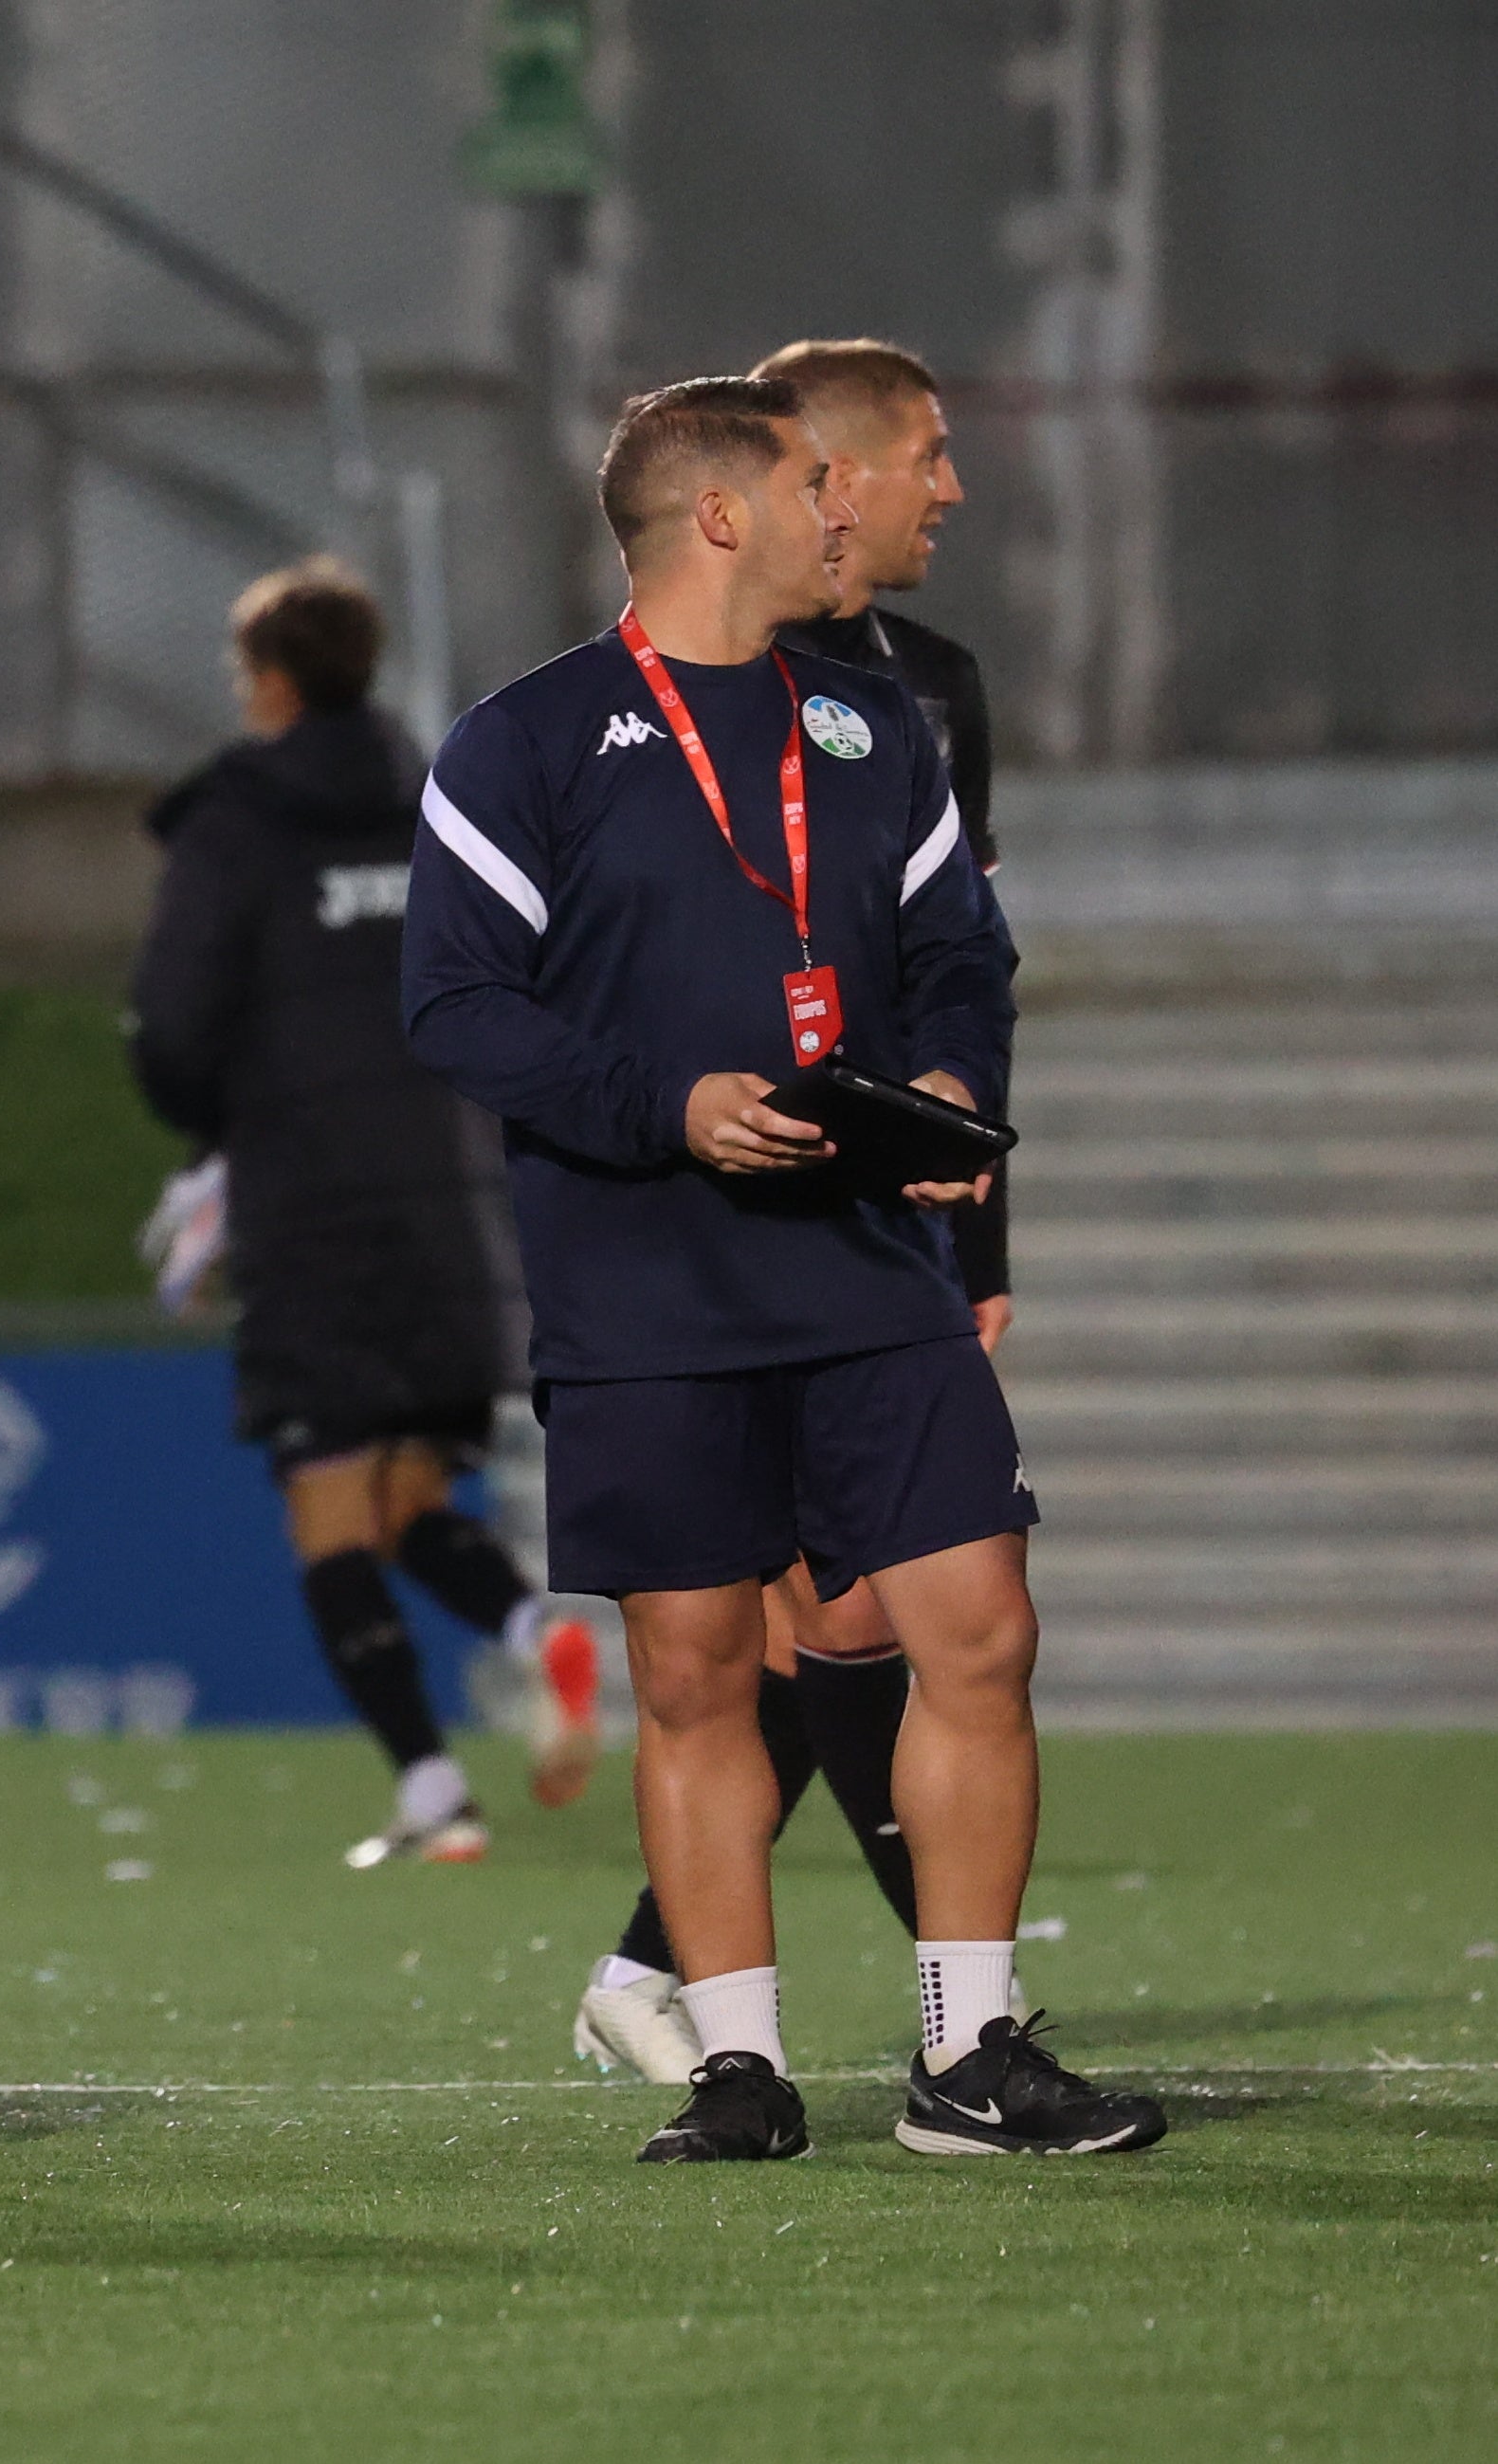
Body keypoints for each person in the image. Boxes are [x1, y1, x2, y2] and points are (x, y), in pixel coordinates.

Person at [403, 374, 1160, 2163]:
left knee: (977, 1623)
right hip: (641, 1278)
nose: (855, 508)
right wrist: (667, 1106)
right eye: (817, 483)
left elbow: (962, 949)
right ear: (718, 516)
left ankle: (967, 2053)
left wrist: (960, 1078)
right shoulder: (520, 741)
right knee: (689, 1673)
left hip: (867, 1259)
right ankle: (738, 2063)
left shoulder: (872, 718)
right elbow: (450, 1007)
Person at [571, 338, 991, 2081]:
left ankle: (906, 2012)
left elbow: (962, 952)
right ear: (808, 479)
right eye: (916, 459)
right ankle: (921, 2019)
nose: (938, 491)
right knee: (791, 1623)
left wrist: (974, 1236)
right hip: (685, 1233)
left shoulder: (923, 690)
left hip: (870, 1229)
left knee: (859, 1615)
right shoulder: (650, 693)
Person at [125, 559, 602, 1868]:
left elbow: (172, 1023)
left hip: (312, 1205)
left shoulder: (237, 821)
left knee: (330, 1515)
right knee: (405, 1504)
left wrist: (211, 1128)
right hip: (456, 1203)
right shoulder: (447, 799)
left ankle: (437, 1793)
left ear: (268, 680)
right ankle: (527, 1631)